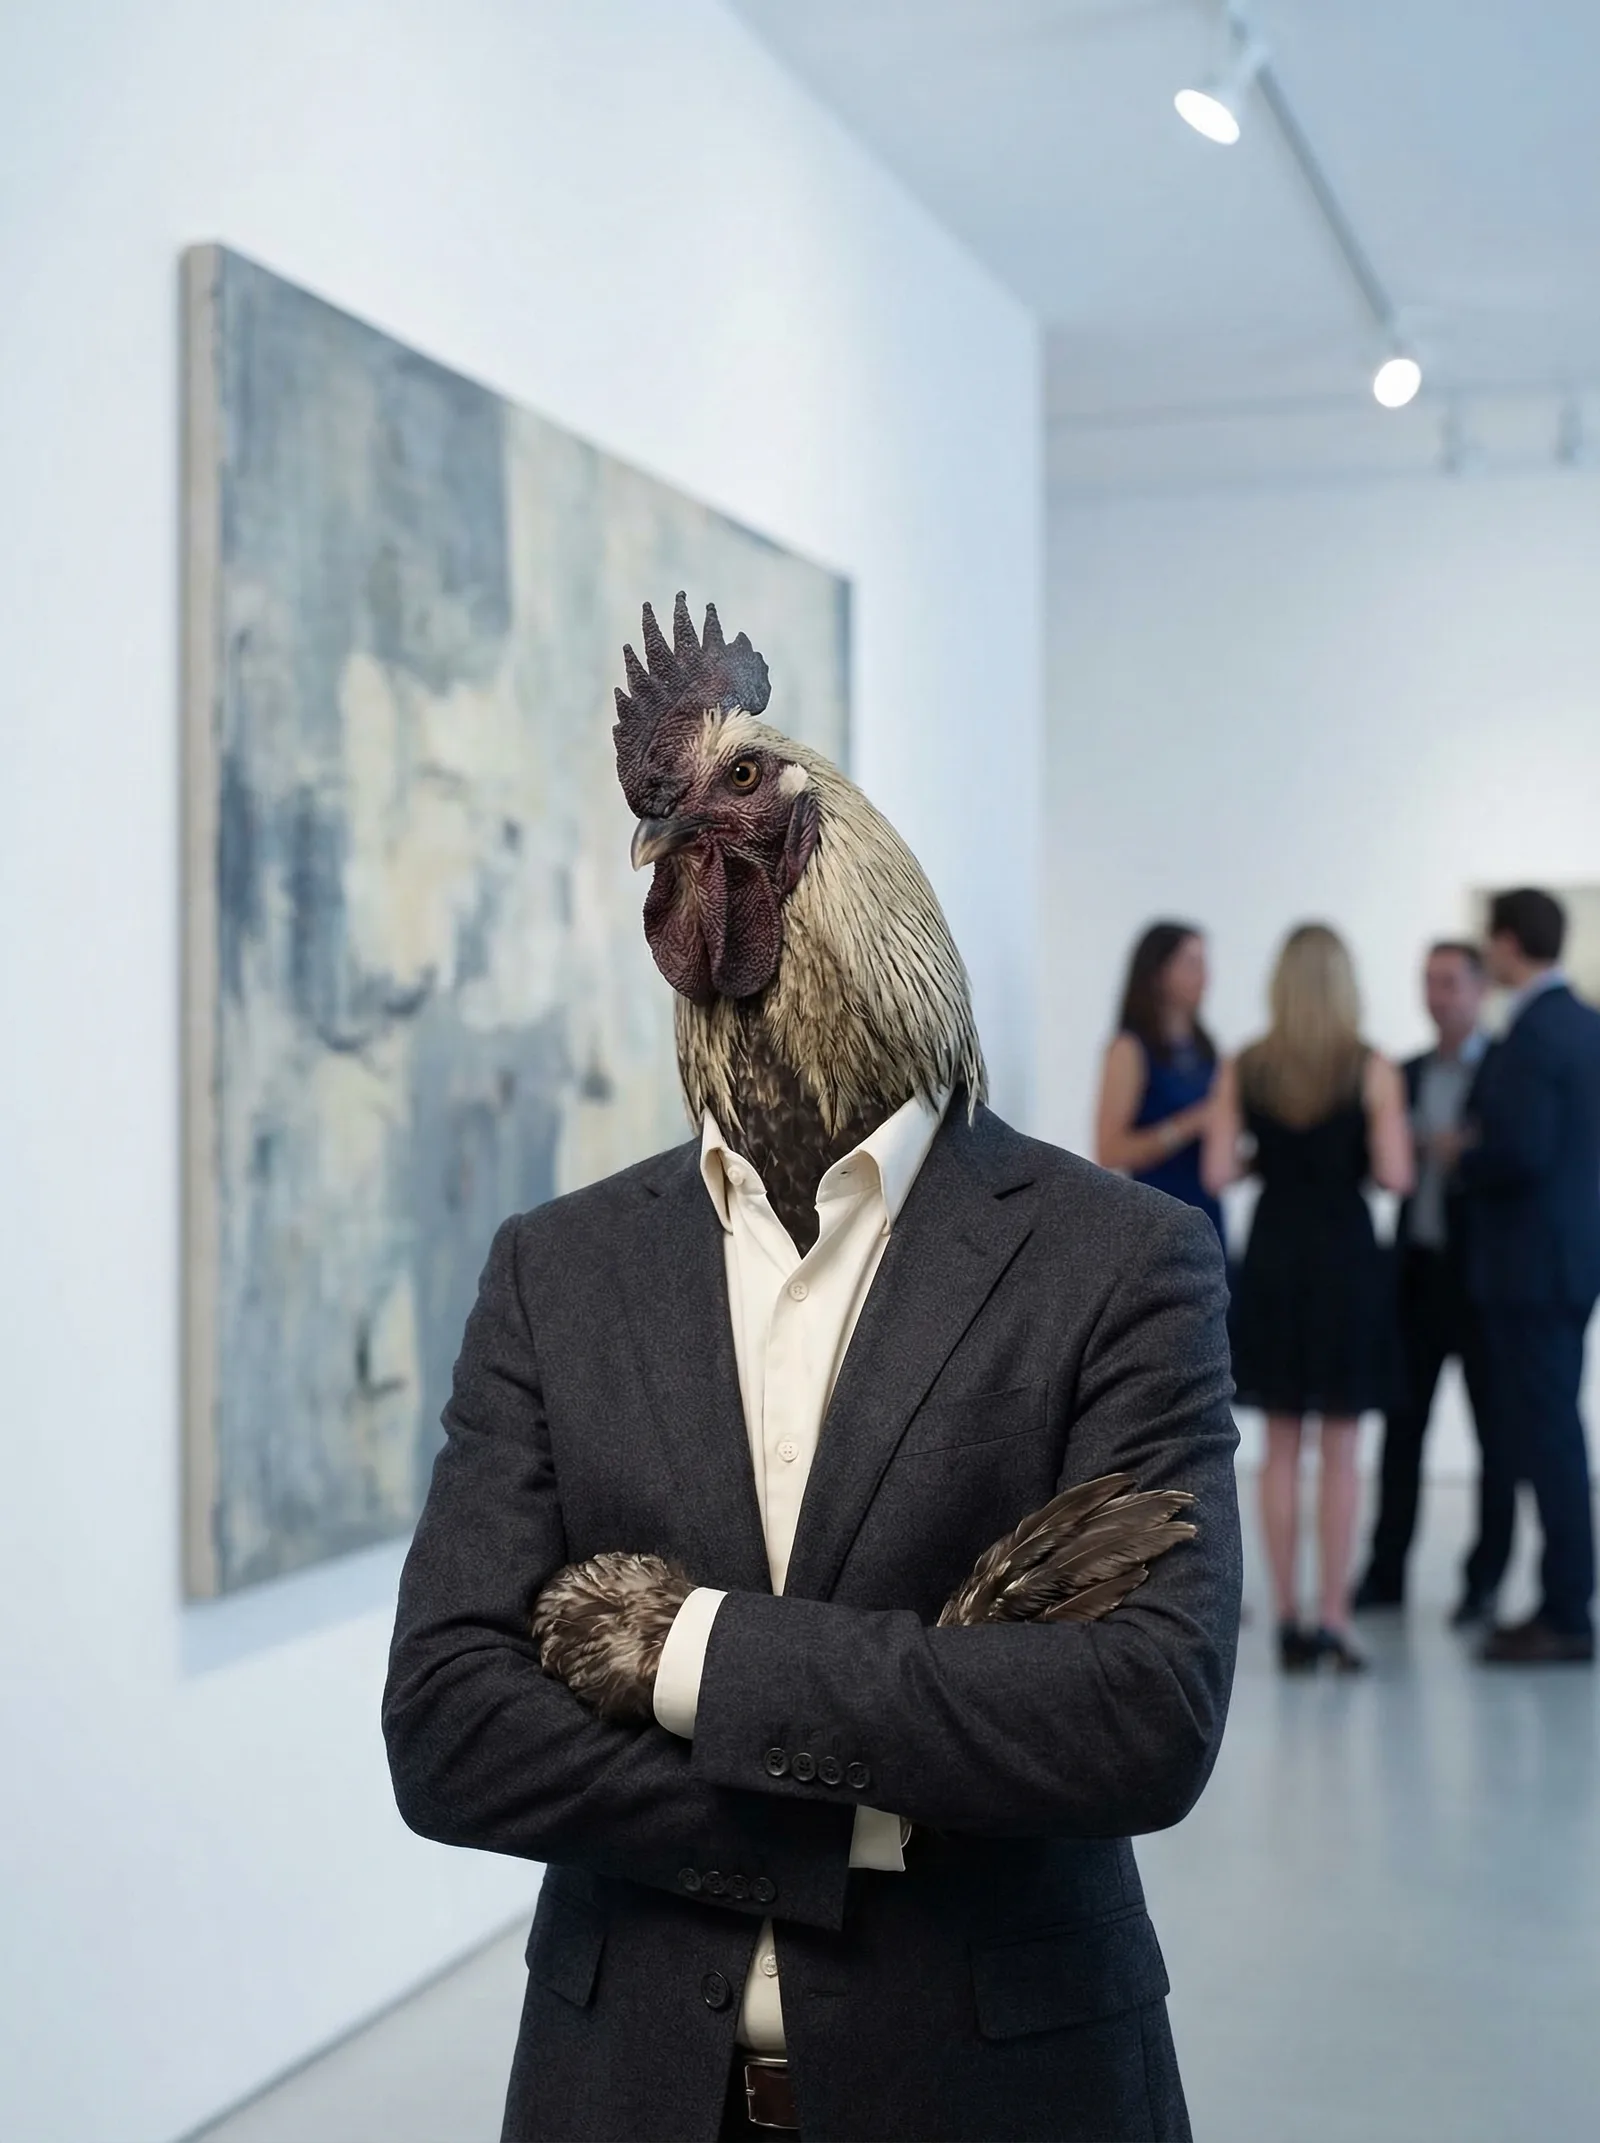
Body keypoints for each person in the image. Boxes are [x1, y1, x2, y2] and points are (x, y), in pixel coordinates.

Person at [384, 595, 1243, 2142]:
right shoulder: (557, 1266)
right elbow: (448, 1723)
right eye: (663, 819)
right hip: (626, 2090)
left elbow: (1143, 1708)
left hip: (998, 2092)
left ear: (796, 841)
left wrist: (681, 1650)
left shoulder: (1119, 1256)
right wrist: (857, 1803)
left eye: (718, 801)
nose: (672, 838)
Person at [1204, 924, 1413, 1672]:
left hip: (1277, 1255)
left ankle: (1286, 1616)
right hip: (1347, 1259)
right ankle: (1334, 1616)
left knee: (1281, 1447)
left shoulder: (1247, 1065)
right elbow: (1395, 1175)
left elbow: (1219, 1169)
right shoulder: (1373, 1067)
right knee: (1343, 1449)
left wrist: (1268, 1151)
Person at [1457, 888, 1600, 1666]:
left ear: (1510, 944)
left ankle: (1567, 1613)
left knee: (1550, 1440)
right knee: (1555, 1435)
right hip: (1569, 1260)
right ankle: (1562, 1600)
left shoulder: (1537, 1035)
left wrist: (1463, 1153)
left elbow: (1521, 1151)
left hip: (1532, 1268)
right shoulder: (1586, 1026)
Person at [1353, 942, 1510, 1621]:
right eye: (1429, 982)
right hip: (1415, 1275)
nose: (1438, 995)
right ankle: (1386, 1571)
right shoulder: (1406, 1073)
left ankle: (1484, 1579)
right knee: (1402, 1429)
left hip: (1483, 1281)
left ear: (1479, 990)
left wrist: (1466, 1152)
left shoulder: (1507, 1073)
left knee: (1494, 1434)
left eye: (1450, 982)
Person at [1094, 922, 1222, 1239]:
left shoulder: (1206, 1048)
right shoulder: (1129, 1049)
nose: (1205, 978)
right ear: (1158, 972)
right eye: (1192, 964)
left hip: (1208, 1216)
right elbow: (1109, 1151)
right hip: (1158, 1219)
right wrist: (1189, 1124)